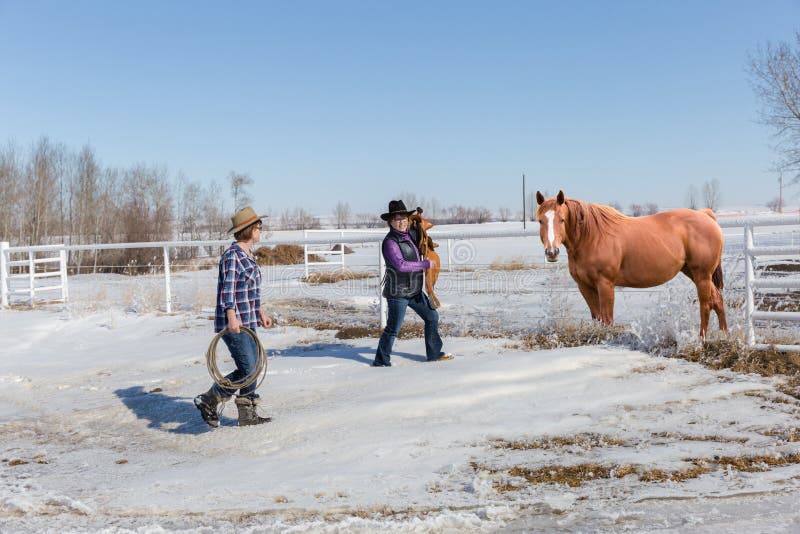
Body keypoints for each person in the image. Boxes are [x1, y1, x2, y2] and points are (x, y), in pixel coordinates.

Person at [194, 206, 274, 427]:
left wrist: (261, 312)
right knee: (248, 368)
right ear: (247, 230)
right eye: (258, 227)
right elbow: (227, 290)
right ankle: (209, 398)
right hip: (235, 321)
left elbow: (251, 289)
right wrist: (231, 316)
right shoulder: (233, 256)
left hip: (248, 319)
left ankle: (248, 413)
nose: (260, 231)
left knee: (254, 366)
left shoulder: (249, 255)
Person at [373, 200, 454, 367]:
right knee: (393, 329)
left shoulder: (409, 234)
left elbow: (422, 233)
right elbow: (401, 265)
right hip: (398, 293)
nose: (401, 222)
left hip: (414, 290)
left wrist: (420, 225)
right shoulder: (390, 242)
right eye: (397, 219)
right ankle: (381, 361)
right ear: (390, 222)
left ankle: (434, 354)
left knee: (432, 316)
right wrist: (424, 264)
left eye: (404, 218)